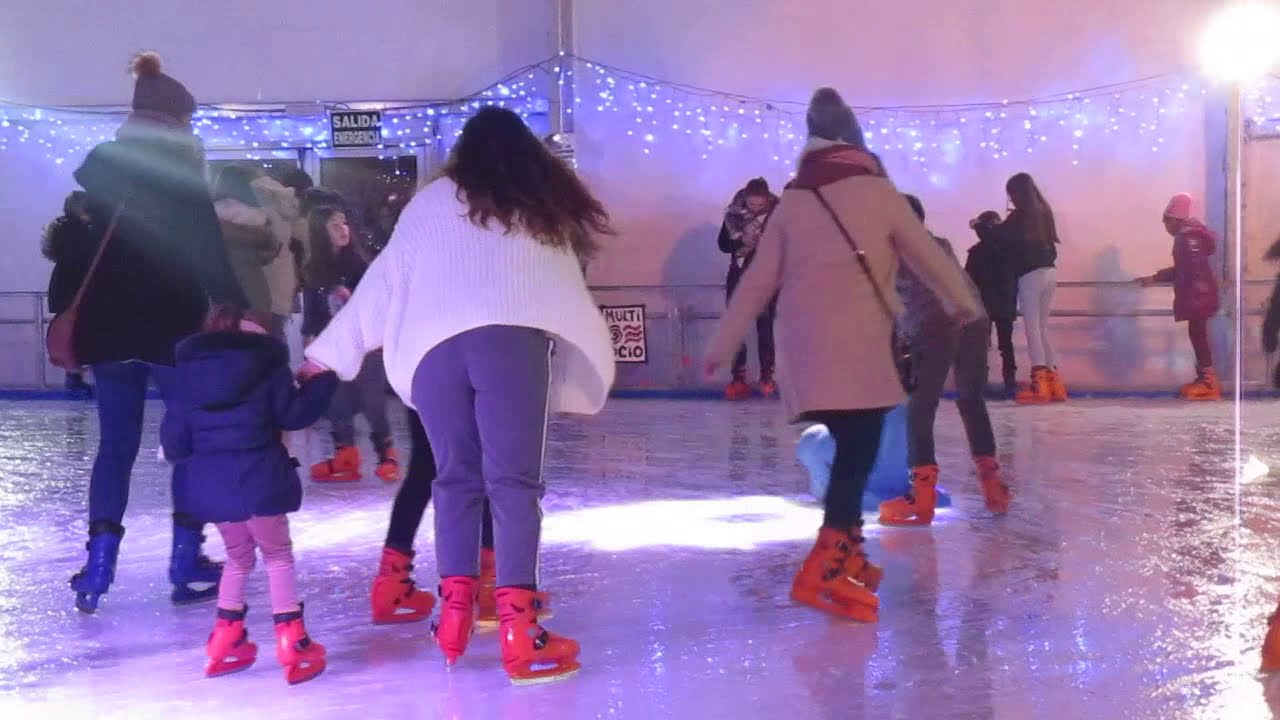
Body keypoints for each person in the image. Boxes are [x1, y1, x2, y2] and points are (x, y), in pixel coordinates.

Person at [302, 106, 615, 684]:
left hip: (432, 356)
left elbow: (384, 280)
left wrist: (326, 352)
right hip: (509, 348)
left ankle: (452, 619)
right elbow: (564, 292)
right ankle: (521, 633)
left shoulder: (429, 202)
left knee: (453, 480)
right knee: (514, 484)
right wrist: (583, 371)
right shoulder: (535, 205)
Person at [703, 88, 980, 623]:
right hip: (857, 348)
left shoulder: (796, 202)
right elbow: (926, 254)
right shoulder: (879, 194)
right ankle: (826, 565)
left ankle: (847, 551)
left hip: (801, 350)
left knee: (849, 448)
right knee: (857, 451)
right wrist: (963, 302)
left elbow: (757, 280)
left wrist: (724, 343)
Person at [55, 52, 248, 613]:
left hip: (110, 332)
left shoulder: (101, 172)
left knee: (114, 447)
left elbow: (75, 252)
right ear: (176, 122)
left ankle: (97, 569)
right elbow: (209, 252)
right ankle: (185, 562)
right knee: (185, 446)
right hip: (172, 329)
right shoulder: (184, 178)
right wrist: (236, 303)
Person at [160, 307, 337, 685]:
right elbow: (293, 415)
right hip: (260, 478)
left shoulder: (185, 377)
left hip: (213, 484)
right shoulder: (265, 364)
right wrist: (321, 382)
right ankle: (293, 640)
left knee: (238, 559)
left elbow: (174, 443)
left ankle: (225, 640)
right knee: (276, 555)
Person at [877, 194, 1012, 526]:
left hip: (936, 322)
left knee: (921, 406)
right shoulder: (940, 244)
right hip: (974, 319)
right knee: (970, 400)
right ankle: (993, 488)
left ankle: (921, 498)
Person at [300, 205, 400, 482]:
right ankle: (346, 455)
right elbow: (313, 315)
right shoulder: (313, 271)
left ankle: (386, 453)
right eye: (335, 225)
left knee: (372, 400)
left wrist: (351, 298)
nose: (343, 230)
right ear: (320, 231)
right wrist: (311, 348)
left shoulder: (361, 266)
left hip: (366, 345)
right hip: (332, 348)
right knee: (337, 400)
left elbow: (377, 305)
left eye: (344, 223)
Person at [1137, 193, 1221, 400]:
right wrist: (1156, 277)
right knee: (1198, 336)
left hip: (1197, 296)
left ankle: (1208, 382)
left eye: (1166, 222)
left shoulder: (1186, 238)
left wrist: (1156, 278)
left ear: (1174, 219)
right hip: (1201, 294)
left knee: (1199, 337)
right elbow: (1187, 268)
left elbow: (1187, 271)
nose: (1166, 228)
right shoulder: (1192, 236)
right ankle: (1204, 379)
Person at [995, 172, 1066, 403]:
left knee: (1033, 329)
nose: (1011, 201)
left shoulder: (1020, 216)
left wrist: (978, 225)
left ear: (1017, 194)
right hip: (1050, 272)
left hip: (1030, 276)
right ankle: (1054, 381)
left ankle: (1040, 383)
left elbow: (998, 237)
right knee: (1042, 328)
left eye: (1011, 195)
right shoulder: (1044, 212)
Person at [717, 178, 780, 399]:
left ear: (767, 201)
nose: (755, 209)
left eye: (759, 206)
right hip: (739, 276)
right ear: (745, 200)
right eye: (751, 205)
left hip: (765, 276)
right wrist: (742, 240)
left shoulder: (777, 215)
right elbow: (724, 245)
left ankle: (766, 376)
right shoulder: (733, 216)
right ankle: (738, 377)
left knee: (765, 326)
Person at [212, 165, 282, 325]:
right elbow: (270, 253)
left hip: (220, 288)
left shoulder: (211, 215)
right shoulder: (260, 216)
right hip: (255, 287)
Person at [42, 190, 96, 398]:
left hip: (63, 287)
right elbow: (83, 259)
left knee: (70, 332)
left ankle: (74, 376)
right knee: (80, 331)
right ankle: (76, 377)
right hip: (77, 288)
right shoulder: (80, 230)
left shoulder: (60, 228)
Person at [965, 210, 1019, 396]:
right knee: (1006, 344)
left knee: (982, 345)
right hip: (1004, 302)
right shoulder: (1010, 249)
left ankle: (981, 381)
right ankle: (1010, 381)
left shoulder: (975, 252)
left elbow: (968, 279)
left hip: (983, 304)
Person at [251, 173, 303, 340]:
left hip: (266, 281)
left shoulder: (260, 215)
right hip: (284, 281)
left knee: (263, 335)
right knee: (277, 333)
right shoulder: (287, 215)